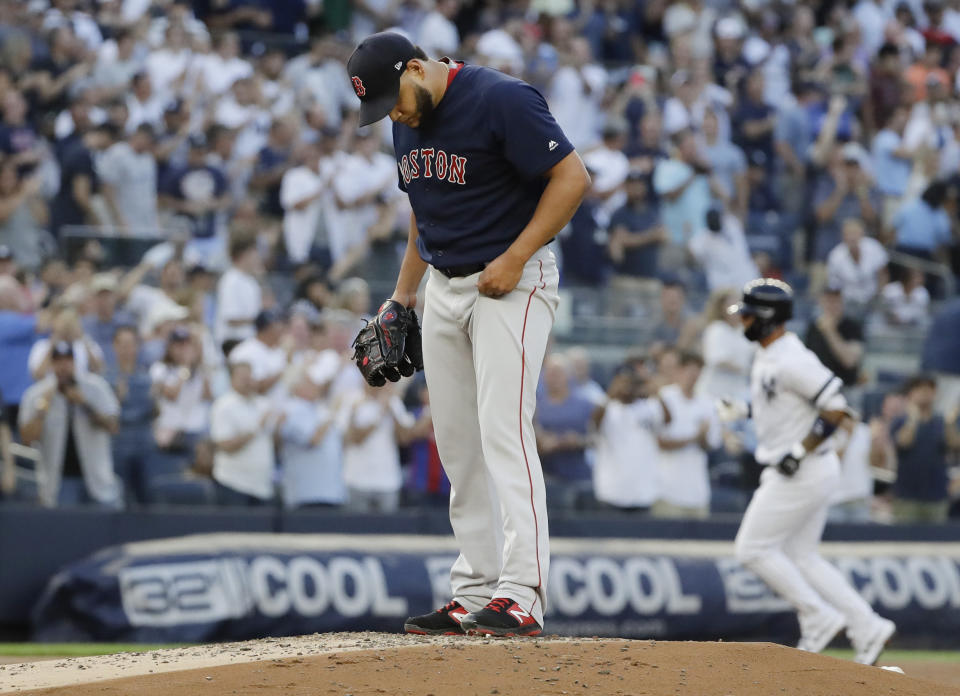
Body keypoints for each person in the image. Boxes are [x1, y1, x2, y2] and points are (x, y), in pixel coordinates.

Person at [347, 31, 590, 637]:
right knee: (456, 445)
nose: (393, 113)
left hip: (512, 280)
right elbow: (422, 213)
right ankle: (476, 589)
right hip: (445, 288)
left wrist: (516, 255)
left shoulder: (500, 97)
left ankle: (523, 594)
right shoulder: (407, 120)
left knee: (503, 431)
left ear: (417, 69)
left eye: (393, 98)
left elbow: (573, 179)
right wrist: (400, 297)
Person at [724, 278, 896, 666]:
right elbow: (783, 407)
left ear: (766, 319)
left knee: (751, 549)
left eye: (748, 315)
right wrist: (745, 412)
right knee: (803, 556)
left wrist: (800, 451)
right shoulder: (770, 355)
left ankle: (817, 615)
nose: (743, 321)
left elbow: (837, 409)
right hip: (807, 468)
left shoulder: (791, 357)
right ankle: (867, 626)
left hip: (801, 469)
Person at [18, 341, 121, 507]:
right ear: (51, 364)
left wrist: (85, 404)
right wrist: (42, 408)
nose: (63, 366)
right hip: (59, 481)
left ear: (74, 362)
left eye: (67, 360)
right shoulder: (37, 394)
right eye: (58, 361)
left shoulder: (96, 387)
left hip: (97, 479)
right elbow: (27, 439)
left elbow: (113, 426)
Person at [591, 362, 669, 512]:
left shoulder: (648, 406)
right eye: (623, 382)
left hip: (643, 492)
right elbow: (594, 423)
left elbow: (668, 420)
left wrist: (655, 390)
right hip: (612, 491)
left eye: (631, 382)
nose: (627, 387)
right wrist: (612, 392)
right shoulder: (607, 407)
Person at [653, 352, 721, 518]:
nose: (693, 375)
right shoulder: (664, 398)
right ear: (679, 371)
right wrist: (694, 437)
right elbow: (659, 442)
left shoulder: (708, 402)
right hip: (666, 491)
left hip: (698, 494)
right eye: (689, 370)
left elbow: (711, 444)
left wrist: (702, 437)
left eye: (698, 370)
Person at [209, 360, 279, 506]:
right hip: (234, 483)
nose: (248, 382)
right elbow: (226, 445)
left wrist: (279, 427)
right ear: (232, 379)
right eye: (243, 378)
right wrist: (256, 428)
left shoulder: (264, 404)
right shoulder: (223, 406)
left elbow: (275, 442)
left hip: (262, 485)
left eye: (250, 377)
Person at [890, 375, 956, 522]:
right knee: (904, 540)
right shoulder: (900, 420)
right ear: (911, 393)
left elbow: (954, 444)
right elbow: (903, 443)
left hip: (936, 495)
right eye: (920, 389)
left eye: (929, 389)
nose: (925, 393)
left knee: (936, 541)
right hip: (907, 496)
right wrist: (913, 419)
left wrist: (949, 422)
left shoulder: (941, 422)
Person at [279, 365, 345, 508]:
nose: (316, 386)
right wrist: (332, 413)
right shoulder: (291, 409)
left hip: (330, 492)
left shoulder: (319, 409)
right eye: (309, 383)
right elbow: (314, 439)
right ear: (296, 387)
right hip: (306, 493)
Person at [804, 287, 865, 388]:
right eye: (828, 301)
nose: (832, 306)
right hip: (818, 387)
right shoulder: (813, 327)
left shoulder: (852, 327)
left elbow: (849, 361)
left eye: (835, 301)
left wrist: (830, 331)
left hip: (845, 387)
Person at [825, 218, 889, 310]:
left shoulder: (874, 247)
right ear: (843, 236)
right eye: (848, 234)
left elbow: (883, 275)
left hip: (873, 299)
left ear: (862, 234)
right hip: (847, 302)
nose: (852, 237)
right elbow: (834, 285)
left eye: (855, 233)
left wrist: (879, 296)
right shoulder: (835, 256)